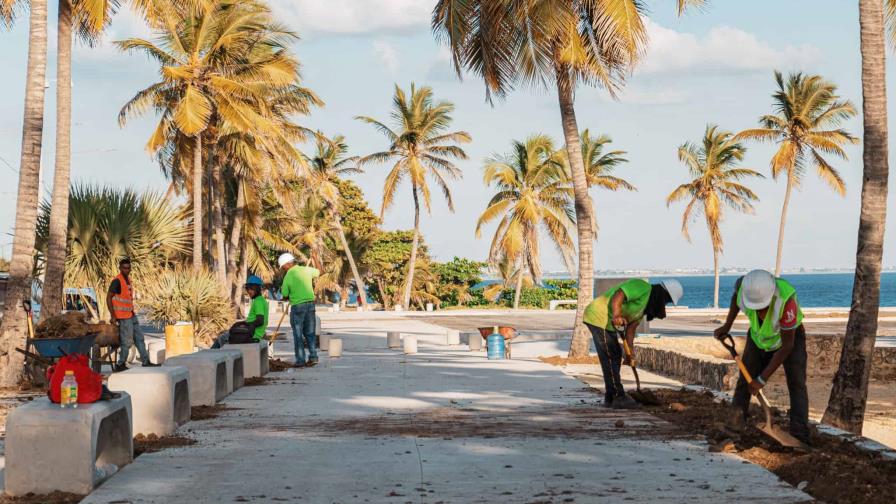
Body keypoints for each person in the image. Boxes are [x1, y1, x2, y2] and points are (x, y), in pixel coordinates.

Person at [714, 269, 810, 444]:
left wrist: (762, 379)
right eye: (755, 308)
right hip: (758, 339)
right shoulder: (744, 290)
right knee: (744, 381)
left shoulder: (786, 300)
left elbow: (787, 346)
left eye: (762, 308)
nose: (759, 312)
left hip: (789, 339)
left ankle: (800, 435)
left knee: (796, 384)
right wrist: (727, 326)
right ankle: (734, 428)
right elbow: (736, 300)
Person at [583, 278, 683, 409]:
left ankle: (610, 397)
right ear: (662, 294)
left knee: (616, 354)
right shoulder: (642, 286)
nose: (665, 305)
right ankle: (618, 396)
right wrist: (617, 315)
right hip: (598, 315)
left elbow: (631, 329)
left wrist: (630, 352)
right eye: (667, 301)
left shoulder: (643, 308)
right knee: (611, 355)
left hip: (606, 323)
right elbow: (619, 294)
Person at [107, 258, 158, 372]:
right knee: (127, 341)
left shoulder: (128, 280)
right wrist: (113, 315)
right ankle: (120, 364)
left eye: (128, 268)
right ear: (120, 268)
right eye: (124, 268)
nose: (127, 270)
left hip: (130, 314)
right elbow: (108, 297)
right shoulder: (117, 281)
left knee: (139, 338)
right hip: (123, 317)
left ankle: (146, 361)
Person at [279, 253, 320, 368]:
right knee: (310, 333)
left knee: (298, 334)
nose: (283, 269)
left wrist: (287, 297)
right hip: (310, 305)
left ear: (288, 264)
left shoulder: (288, 275)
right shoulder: (306, 270)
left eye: (283, 267)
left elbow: (285, 294)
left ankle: (301, 360)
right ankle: (313, 357)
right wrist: (315, 258)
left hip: (297, 307)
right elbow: (319, 271)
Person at [211, 276, 270, 347]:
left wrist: (245, 324)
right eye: (248, 288)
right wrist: (243, 323)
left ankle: (209, 357)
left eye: (252, 289)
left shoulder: (258, 301)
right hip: (252, 333)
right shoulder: (261, 300)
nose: (249, 291)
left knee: (221, 338)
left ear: (258, 289)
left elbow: (260, 321)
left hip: (251, 334)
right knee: (225, 333)